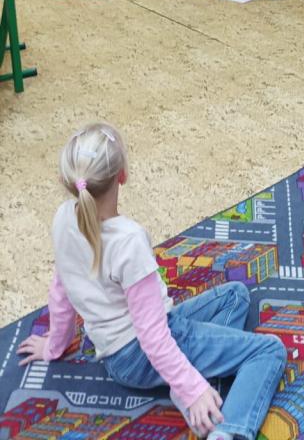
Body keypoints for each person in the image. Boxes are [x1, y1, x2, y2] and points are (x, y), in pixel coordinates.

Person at [17, 123, 286, 440]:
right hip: (141, 354)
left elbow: (61, 290)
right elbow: (153, 334)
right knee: (269, 351)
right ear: (122, 176)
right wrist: (190, 389)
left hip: (115, 354)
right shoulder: (129, 241)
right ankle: (227, 430)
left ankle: (194, 378)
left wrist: (54, 345)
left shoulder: (63, 217)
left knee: (235, 296)